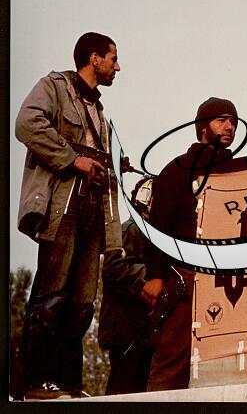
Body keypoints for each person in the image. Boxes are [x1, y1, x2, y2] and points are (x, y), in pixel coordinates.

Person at [16, 32, 123, 399]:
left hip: (93, 207)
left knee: (81, 303)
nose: (117, 67)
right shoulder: (54, 86)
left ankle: (68, 384)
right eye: (113, 58)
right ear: (95, 58)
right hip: (63, 204)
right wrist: (72, 159)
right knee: (52, 294)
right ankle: (35, 383)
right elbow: (26, 123)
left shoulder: (100, 114)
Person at [141, 96, 238, 391]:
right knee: (173, 359)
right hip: (184, 276)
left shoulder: (240, 169)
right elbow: (158, 226)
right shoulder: (177, 170)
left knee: (226, 364)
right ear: (203, 128)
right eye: (221, 120)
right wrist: (156, 276)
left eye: (233, 121)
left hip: (228, 279)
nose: (229, 126)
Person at [98, 178, 154, 395]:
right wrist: (153, 276)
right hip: (125, 330)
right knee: (124, 389)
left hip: (140, 330)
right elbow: (113, 268)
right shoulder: (130, 229)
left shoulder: (151, 236)